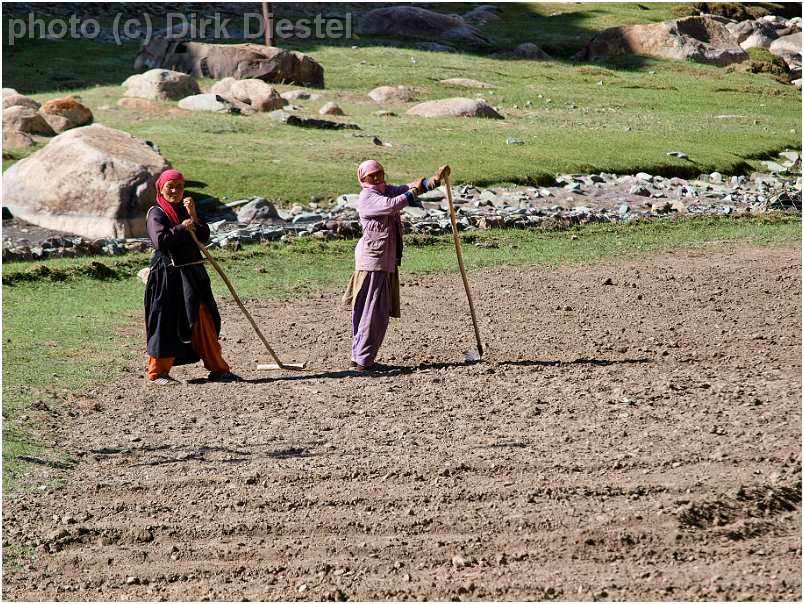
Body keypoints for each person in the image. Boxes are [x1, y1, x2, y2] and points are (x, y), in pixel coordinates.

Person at [343, 160, 450, 371]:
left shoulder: (386, 190)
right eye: (372, 175)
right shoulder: (368, 197)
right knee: (374, 312)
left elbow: (407, 188)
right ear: (362, 178)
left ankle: (361, 357)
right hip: (374, 262)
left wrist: (434, 181)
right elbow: (394, 204)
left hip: (384, 260)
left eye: (380, 173)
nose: (377, 178)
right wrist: (414, 193)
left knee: (370, 311)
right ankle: (364, 360)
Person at [143, 169, 237, 385]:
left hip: (192, 274)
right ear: (161, 188)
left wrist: (193, 215)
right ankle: (158, 373)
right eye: (171, 187)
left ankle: (218, 369)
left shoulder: (185, 209)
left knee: (203, 317)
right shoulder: (156, 213)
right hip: (167, 276)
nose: (175, 191)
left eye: (179, 187)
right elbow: (161, 241)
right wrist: (182, 228)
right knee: (165, 320)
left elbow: (202, 237)